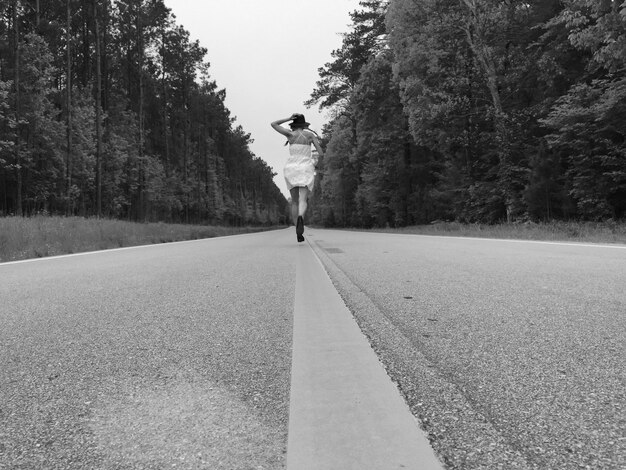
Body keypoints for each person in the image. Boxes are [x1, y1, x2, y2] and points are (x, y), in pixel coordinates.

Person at [271, 113, 324, 242]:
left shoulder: (290, 135)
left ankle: (298, 232)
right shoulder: (310, 136)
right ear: (304, 124)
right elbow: (321, 153)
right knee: (303, 199)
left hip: (292, 168)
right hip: (306, 166)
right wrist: (315, 164)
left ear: (294, 124)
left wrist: (288, 118)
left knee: (294, 201)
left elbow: (273, 124)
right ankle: (301, 216)